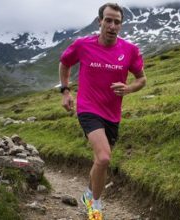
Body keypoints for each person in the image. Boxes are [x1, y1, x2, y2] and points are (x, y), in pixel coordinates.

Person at [58, 3, 147, 220]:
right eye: (108, 20)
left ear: (121, 25)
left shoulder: (129, 50)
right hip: (88, 108)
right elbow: (65, 63)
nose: (112, 25)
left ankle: (89, 194)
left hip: (112, 113)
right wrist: (66, 91)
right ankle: (95, 206)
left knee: (100, 160)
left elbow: (142, 79)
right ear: (100, 21)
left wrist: (129, 88)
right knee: (105, 158)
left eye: (117, 22)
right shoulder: (83, 45)